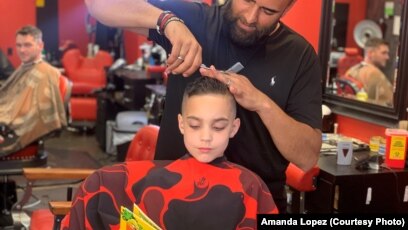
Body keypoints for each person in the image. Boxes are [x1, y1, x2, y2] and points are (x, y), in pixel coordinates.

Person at [85, 0, 322, 213]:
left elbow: (307, 157)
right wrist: (168, 22)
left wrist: (261, 102)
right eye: (247, 1)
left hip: (255, 208)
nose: (251, 17)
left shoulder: (299, 56)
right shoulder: (195, 20)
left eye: (268, 11)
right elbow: (99, 5)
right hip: (172, 202)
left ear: (288, 8)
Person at [61, 77, 278, 229]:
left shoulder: (251, 186)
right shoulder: (132, 180)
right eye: (195, 125)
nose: (206, 137)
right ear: (181, 125)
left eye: (218, 127)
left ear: (234, 127)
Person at [0, 25, 66, 156]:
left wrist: (4, 127)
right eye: (18, 45)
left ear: (40, 45)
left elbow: (32, 114)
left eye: (27, 45)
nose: (22, 50)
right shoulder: (26, 67)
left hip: (11, 132)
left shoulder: (45, 73)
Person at [345, 37, 393, 106]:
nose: (387, 57)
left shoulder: (351, 70)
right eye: (384, 53)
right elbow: (390, 103)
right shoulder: (375, 74)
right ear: (370, 53)